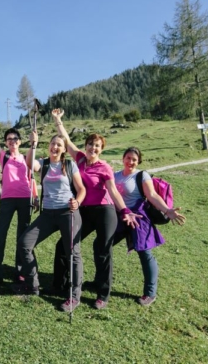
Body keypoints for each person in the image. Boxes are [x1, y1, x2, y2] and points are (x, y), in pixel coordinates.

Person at [51, 108, 140, 309]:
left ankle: (102, 294)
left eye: (97, 146)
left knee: (102, 250)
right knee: (64, 245)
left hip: (105, 211)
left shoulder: (105, 168)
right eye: (91, 144)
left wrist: (124, 210)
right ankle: (61, 284)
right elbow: (66, 140)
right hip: (85, 210)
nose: (93, 147)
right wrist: (58, 121)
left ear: (101, 149)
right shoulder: (80, 159)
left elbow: (113, 192)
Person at [13, 133, 86, 312]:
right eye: (53, 144)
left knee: (73, 253)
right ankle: (33, 284)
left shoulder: (70, 165)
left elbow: (81, 189)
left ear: (63, 149)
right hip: (48, 214)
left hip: (68, 212)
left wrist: (77, 202)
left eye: (59, 145)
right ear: (49, 146)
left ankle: (74, 296)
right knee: (24, 243)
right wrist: (32, 144)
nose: (55, 147)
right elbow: (30, 164)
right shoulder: (44, 163)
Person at [113, 147, 185, 306]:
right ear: (123, 158)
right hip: (120, 216)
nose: (130, 162)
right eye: (128, 158)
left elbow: (152, 195)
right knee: (103, 245)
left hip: (138, 216)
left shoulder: (141, 175)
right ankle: (101, 280)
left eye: (134, 159)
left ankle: (150, 293)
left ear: (138, 161)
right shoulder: (115, 175)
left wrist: (167, 210)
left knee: (144, 253)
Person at [0, 108, 36, 286]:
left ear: (20, 142)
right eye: (9, 139)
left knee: (22, 236)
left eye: (15, 139)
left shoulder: (26, 157)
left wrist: (35, 196)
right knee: (1, 235)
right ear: (6, 143)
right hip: (6, 200)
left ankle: (20, 271)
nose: (12, 141)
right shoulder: (3, 157)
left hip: (25, 199)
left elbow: (33, 178)